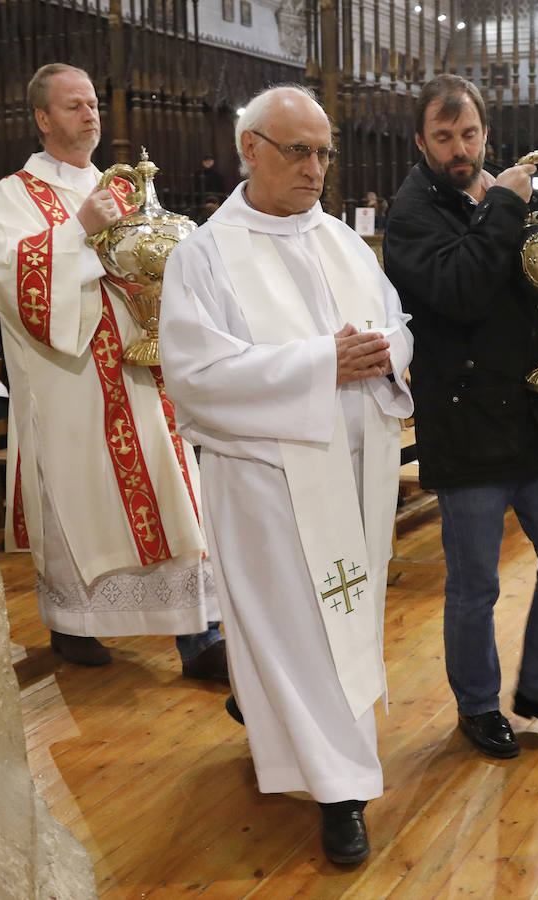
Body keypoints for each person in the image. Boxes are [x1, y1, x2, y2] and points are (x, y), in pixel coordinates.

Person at [159, 84, 413, 864]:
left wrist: (380, 356)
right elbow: (194, 373)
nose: (315, 169)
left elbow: (394, 327)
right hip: (267, 477)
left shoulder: (339, 240)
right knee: (295, 627)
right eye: (298, 151)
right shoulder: (204, 253)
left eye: (322, 152)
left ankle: (301, 737)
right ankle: (341, 790)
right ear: (250, 149)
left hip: (356, 470)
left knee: (337, 622)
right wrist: (319, 365)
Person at [0, 62, 227, 680]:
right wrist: (80, 231)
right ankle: (75, 623)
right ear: (42, 119)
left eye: (93, 104)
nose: (90, 115)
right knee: (80, 500)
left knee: (176, 495)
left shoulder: (121, 187)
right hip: (71, 385)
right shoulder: (18, 193)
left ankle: (201, 638)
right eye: (74, 106)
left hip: (140, 374)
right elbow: (18, 282)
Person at [383, 73, 538, 759]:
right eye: (443, 137)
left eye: (469, 134)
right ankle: (477, 706)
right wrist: (505, 205)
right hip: (466, 424)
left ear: (484, 132)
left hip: (535, 414)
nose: (459, 149)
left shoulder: (507, 196)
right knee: (475, 585)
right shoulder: (411, 213)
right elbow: (462, 290)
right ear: (420, 142)